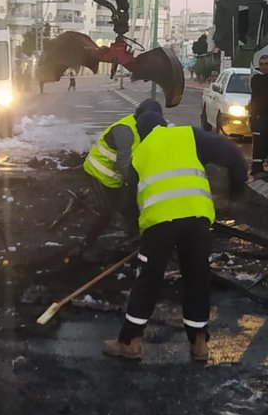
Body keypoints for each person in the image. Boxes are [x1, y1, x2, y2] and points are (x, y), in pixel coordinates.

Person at [102, 111, 248, 363]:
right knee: (197, 277)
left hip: (160, 224)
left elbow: (127, 205)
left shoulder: (141, 152)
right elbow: (231, 152)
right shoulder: (189, 134)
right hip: (198, 219)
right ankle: (199, 343)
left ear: (142, 131)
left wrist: (137, 232)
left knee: (148, 280)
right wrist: (237, 187)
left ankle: (130, 342)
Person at [78, 98, 164, 251]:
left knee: (128, 206)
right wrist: (135, 183)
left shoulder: (146, 129)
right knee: (107, 211)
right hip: (98, 172)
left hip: (115, 178)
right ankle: (86, 244)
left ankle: (134, 237)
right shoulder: (126, 130)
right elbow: (123, 161)